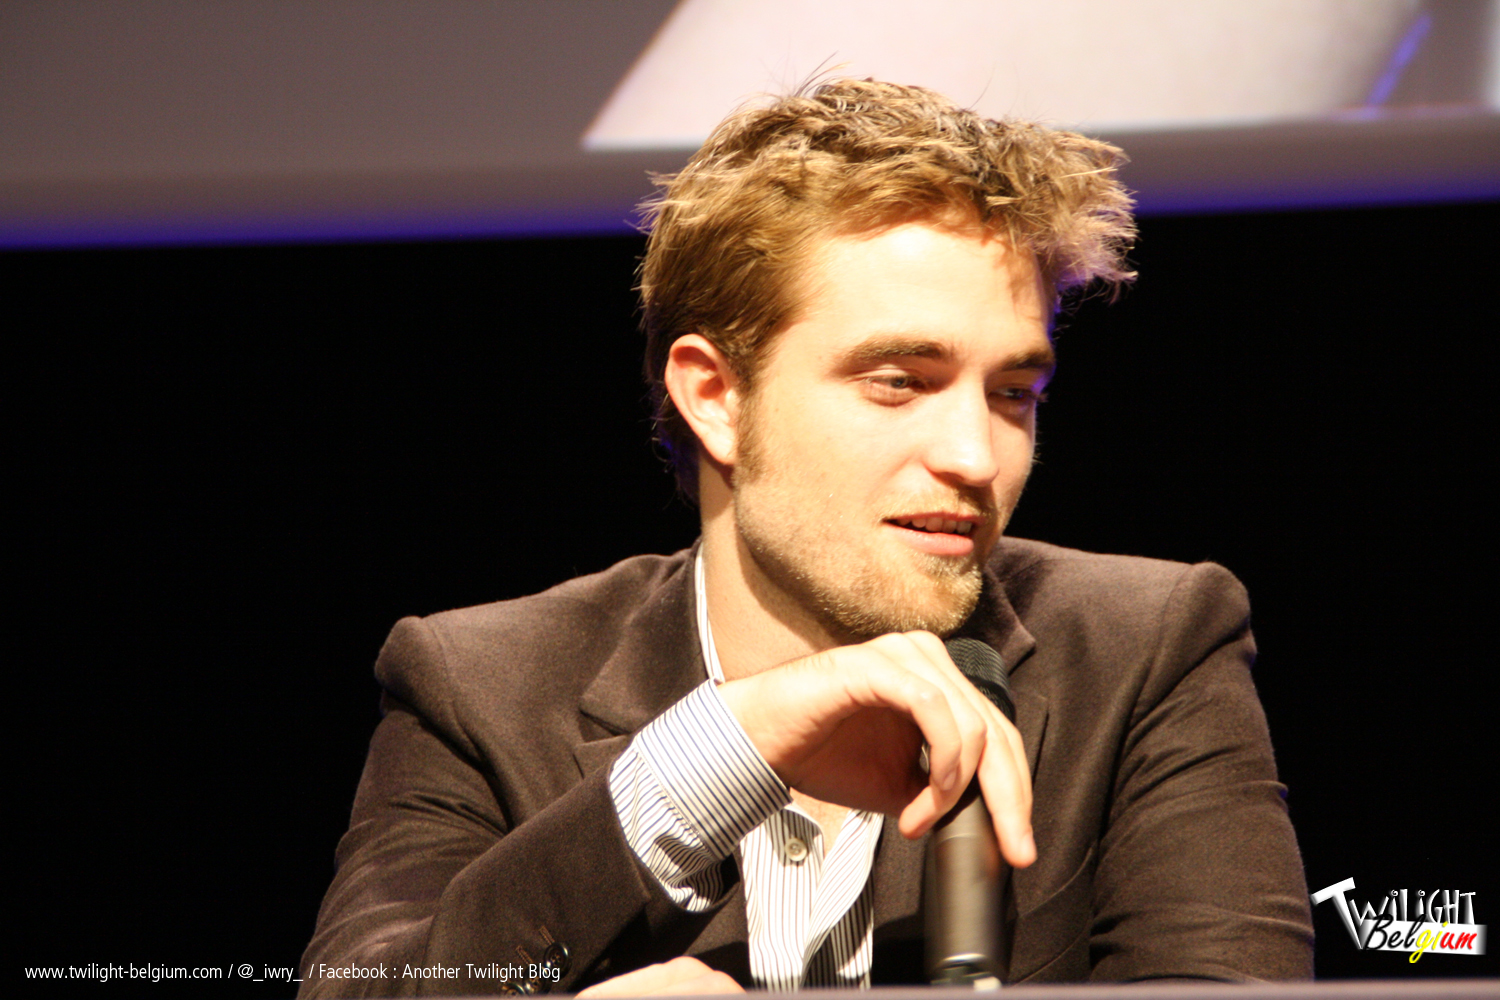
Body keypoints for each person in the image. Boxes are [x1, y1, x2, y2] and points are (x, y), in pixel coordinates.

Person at [299, 78, 1313, 997]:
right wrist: (720, 752)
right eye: (899, 382)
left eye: (1014, 392)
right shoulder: (480, 686)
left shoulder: (1147, 651)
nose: (976, 454)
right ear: (715, 396)